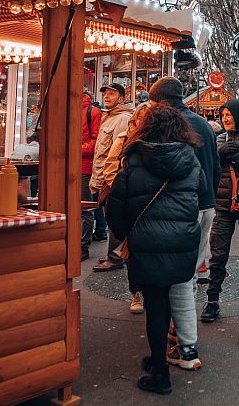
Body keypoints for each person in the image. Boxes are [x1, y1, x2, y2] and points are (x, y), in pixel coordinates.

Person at [106, 103, 204, 395]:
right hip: (182, 241)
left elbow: (116, 206)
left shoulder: (136, 157)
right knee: (170, 301)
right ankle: (158, 358)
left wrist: (125, 235)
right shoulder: (190, 157)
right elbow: (197, 196)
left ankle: (160, 373)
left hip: (147, 242)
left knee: (155, 306)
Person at [148, 77, 219, 371]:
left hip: (182, 209)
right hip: (206, 205)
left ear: (159, 101)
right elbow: (214, 166)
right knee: (189, 276)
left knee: (178, 279)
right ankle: (182, 336)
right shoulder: (203, 124)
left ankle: (186, 347)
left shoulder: (166, 127)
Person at [201, 99, 239, 323]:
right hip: (222, 205)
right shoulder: (218, 140)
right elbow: (208, 170)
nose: (225, 118)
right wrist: (218, 155)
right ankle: (212, 301)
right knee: (218, 255)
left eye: (229, 114)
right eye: (222, 115)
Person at [100, 102, 149, 314]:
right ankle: (136, 292)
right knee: (131, 250)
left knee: (148, 249)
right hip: (129, 202)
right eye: (140, 119)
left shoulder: (157, 141)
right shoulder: (122, 140)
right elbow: (109, 169)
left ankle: (149, 289)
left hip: (149, 202)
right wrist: (122, 190)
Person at [91, 84, 135, 272]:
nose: (107, 96)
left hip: (111, 178)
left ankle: (116, 256)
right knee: (109, 216)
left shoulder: (122, 119)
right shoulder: (108, 117)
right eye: (106, 94)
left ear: (122, 98)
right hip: (103, 176)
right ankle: (114, 253)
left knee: (114, 217)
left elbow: (118, 153)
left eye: (112, 93)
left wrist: (112, 180)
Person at [79, 91, 102, 262]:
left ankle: (82, 247)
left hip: (84, 166)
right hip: (68, 165)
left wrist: (75, 150)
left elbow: (97, 141)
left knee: (84, 207)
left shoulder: (92, 112)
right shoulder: (66, 109)